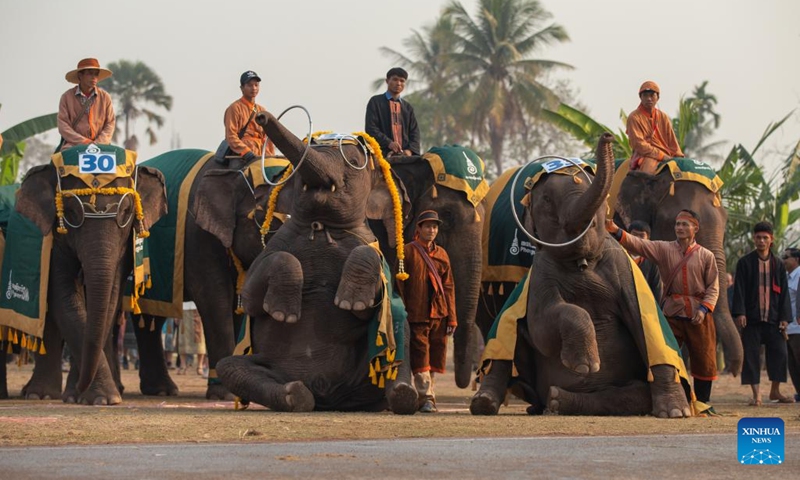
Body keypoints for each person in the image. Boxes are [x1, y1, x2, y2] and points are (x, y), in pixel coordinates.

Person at [606, 210, 719, 407]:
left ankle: (702, 402)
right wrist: (616, 230)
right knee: (667, 355)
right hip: (672, 312)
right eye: (677, 224)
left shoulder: (706, 255)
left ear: (695, 228)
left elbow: (713, 286)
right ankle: (679, 397)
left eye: (685, 224)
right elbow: (640, 244)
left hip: (698, 312)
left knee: (704, 357)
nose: (680, 228)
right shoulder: (663, 248)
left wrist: (703, 310)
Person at [396, 210, 457, 413]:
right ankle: (426, 397)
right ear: (419, 228)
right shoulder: (407, 252)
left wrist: (452, 317)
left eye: (435, 227)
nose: (432, 230)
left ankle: (428, 395)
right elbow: (399, 286)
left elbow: (448, 287)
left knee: (435, 356)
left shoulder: (442, 254)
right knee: (421, 355)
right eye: (428, 226)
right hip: (416, 313)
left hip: (439, 313)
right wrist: (402, 312)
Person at [732, 222, 794, 405]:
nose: (761, 241)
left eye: (765, 238)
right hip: (751, 319)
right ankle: (756, 395)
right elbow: (739, 290)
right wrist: (740, 313)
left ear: (771, 239)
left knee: (780, 354)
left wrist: (784, 317)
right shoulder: (745, 263)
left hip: (774, 319)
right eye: (758, 237)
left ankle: (775, 391)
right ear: (754, 239)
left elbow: (784, 293)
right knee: (751, 356)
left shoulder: (778, 264)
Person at [57, 58, 116, 151]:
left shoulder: (105, 97)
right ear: (80, 76)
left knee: (121, 158)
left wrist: (98, 143)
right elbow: (63, 126)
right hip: (73, 145)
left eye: (96, 74)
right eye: (90, 73)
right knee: (63, 158)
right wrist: (84, 142)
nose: (94, 77)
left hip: (101, 145)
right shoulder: (66, 97)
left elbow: (110, 124)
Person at [626, 81, 684, 175]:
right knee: (648, 174)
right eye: (645, 95)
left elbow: (672, 140)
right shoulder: (634, 117)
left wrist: (679, 157)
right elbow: (638, 144)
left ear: (658, 97)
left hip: (667, 154)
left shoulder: (663, 116)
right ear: (640, 97)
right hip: (646, 155)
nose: (649, 98)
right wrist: (661, 156)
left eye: (652, 95)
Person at [364, 67, 421, 158]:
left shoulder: (408, 108)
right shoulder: (376, 102)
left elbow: (414, 133)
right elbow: (371, 128)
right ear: (387, 81)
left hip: (405, 156)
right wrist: (389, 143)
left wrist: (410, 151)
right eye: (395, 79)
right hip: (380, 154)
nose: (398, 83)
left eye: (402, 81)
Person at [221, 70, 273, 165]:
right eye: (249, 85)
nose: (254, 88)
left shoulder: (261, 110)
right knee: (238, 173)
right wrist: (245, 151)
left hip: (260, 154)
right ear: (242, 88)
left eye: (256, 85)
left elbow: (267, 138)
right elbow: (231, 135)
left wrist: (270, 156)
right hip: (242, 155)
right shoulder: (235, 108)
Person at [628, 220, 662, 304]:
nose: (637, 239)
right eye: (634, 235)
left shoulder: (652, 261)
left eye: (641, 236)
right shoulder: (620, 255)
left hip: (645, 305)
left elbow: (657, 289)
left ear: (648, 239)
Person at [784, 248, 800, 401]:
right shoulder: (786, 277)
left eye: (786, 257)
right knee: (792, 363)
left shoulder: (799, 276)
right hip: (788, 328)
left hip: (798, 327)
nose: (784, 260)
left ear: (796, 259)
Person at [177, 302, 207, 377]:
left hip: (198, 307)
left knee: (199, 338)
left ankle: (200, 365)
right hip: (183, 308)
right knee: (182, 337)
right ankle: (183, 365)